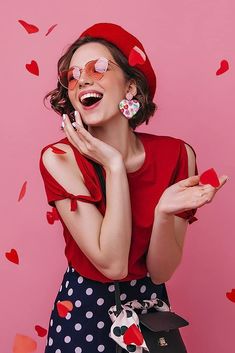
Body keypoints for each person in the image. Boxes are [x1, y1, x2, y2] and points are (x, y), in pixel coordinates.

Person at [39, 22, 228, 353]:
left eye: (98, 68)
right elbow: (113, 265)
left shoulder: (177, 155)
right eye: (73, 76)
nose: (82, 79)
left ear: (130, 88)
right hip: (83, 315)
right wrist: (114, 166)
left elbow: (159, 271)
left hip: (151, 314)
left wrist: (166, 212)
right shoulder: (60, 159)